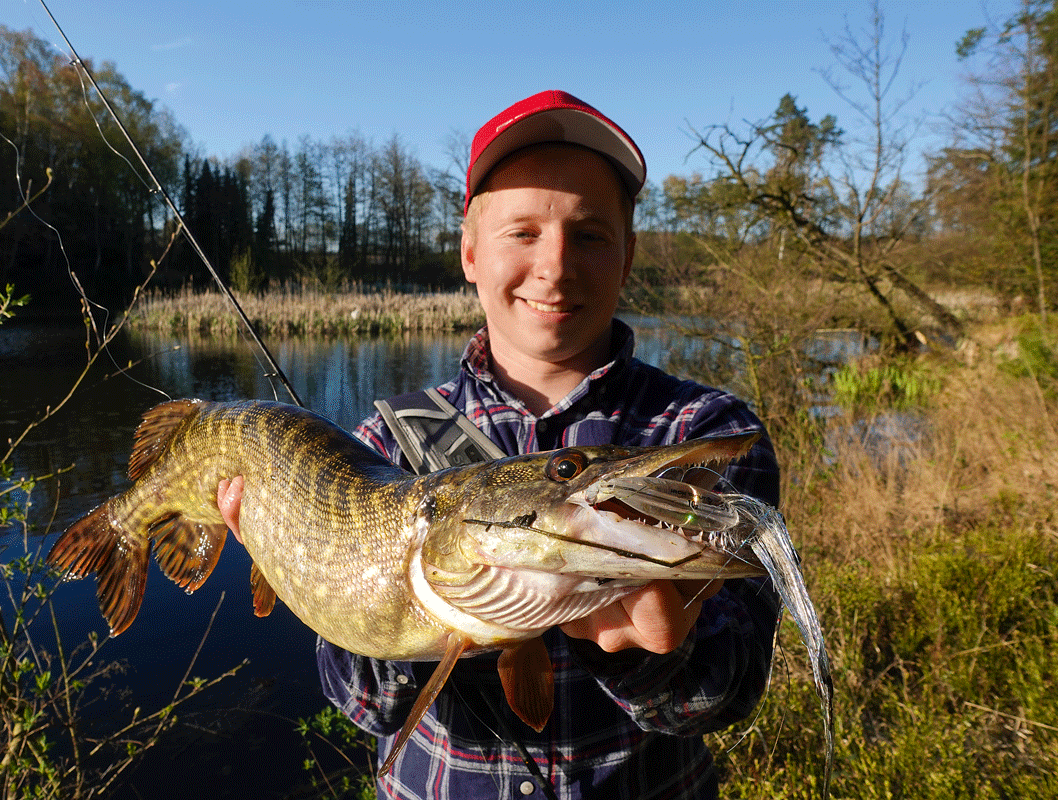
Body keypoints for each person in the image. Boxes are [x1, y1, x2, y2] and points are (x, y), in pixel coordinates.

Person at [218, 90, 780, 800]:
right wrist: (302, 558)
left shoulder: (704, 435)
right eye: (523, 233)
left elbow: (729, 697)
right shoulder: (379, 448)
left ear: (629, 253)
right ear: (470, 252)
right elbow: (363, 706)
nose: (556, 266)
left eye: (590, 234)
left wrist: (656, 657)